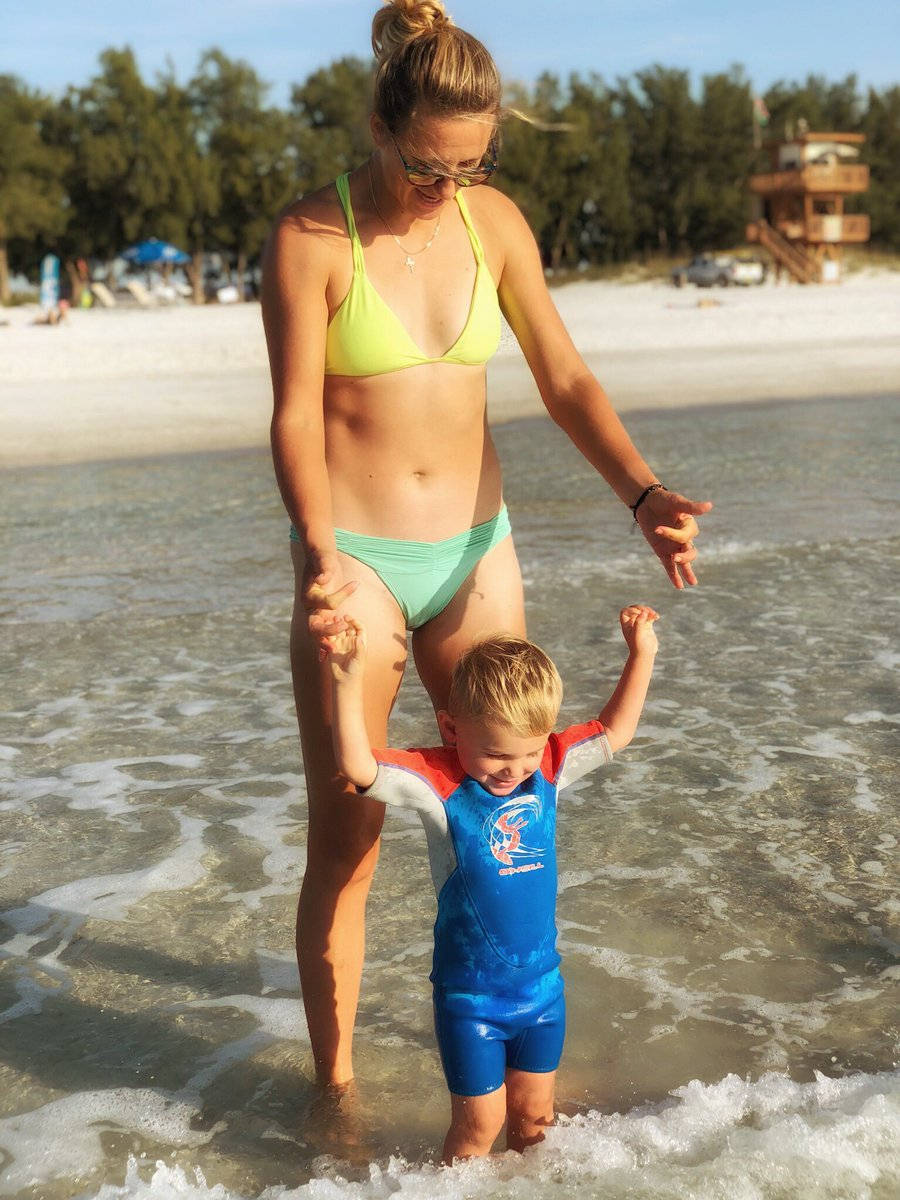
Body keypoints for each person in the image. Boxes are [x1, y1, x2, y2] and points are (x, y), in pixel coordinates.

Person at [261, 0, 711, 1091]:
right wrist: (322, 557)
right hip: (359, 561)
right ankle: (338, 1091)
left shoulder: (492, 224)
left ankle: (503, 1060)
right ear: (381, 126)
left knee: (505, 800)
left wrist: (641, 493)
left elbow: (564, 380)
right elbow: (293, 416)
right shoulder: (311, 240)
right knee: (352, 838)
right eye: (429, 168)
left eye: (471, 167)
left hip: (476, 549)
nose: (448, 190)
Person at [318, 605, 658, 1159]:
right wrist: (346, 678)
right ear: (451, 728)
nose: (512, 769)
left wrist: (641, 653)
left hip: (544, 993)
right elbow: (358, 767)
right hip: (471, 1000)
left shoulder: (548, 766)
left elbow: (616, 732)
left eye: (526, 752)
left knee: (536, 1122)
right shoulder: (438, 782)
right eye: (495, 753)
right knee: (479, 1130)